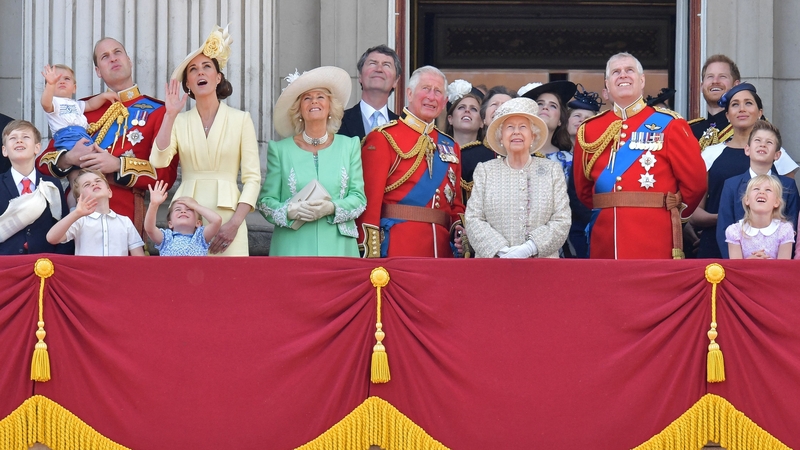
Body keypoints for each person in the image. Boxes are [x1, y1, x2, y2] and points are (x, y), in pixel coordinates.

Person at [36, 37, 179, 234]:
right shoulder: (80, 109)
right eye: (105, 57)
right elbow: (42, 163)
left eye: (117, 52)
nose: (113, 59)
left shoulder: (159, 111)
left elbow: (165, 177)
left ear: (129, 60)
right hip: (77, 214)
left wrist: (119, 165)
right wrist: (68, 158)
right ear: (98, 71)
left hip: (125, 214)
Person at [573, 52, 707, 259]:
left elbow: (695, 183)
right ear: (607, 85)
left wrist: (671, 216)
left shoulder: (670, 124)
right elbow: (583, 190)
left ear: (642, 80)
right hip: (604, 239)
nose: (623, 75)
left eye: (629, 71)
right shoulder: (589, 129)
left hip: (654, 237)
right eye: (616, 72)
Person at [151, 25, 261, 256]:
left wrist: (235, 224)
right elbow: (159, 160)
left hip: (230, 215)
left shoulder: (241, 119)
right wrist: (169, 115)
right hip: (186, 219)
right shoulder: (179, 121)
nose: (200, 72)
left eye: (206, 67)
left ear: (218, 77)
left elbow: (252, 179)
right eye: (193, 70)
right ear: (187, 84)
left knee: (230, 285)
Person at [357, 65, 465, 258]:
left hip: (442, 252)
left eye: (438, 91)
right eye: (425, 88)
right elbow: (370, 202)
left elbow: (455, 204)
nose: (431, 97)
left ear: (445, 101)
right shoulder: (383, 138)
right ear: (409, 93)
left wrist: (459, 231)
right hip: (398, 247)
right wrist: (369, 252)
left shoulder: (451, 146)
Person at [257, 66, 366, 256]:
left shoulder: (350, 146)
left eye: (320, 96)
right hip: (293, 248)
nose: (314, 101)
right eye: (307, 98)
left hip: (339, 248)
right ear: (299, 109)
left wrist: (331, 207)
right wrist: (290, 211)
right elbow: (266, 202)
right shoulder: (280, 150)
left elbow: (359, 199)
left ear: (331, 106)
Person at [691, 83, 798, 258]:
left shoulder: (778, 155)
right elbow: (695, 209)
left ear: (760, 112)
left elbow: (791, 221)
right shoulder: (712, 155)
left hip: (775, 258)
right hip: (722, 249)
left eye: (748, 103)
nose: (742, 109)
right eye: (735, 104)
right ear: (727, 114)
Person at [465, 97, 570, 258]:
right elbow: (473, 219)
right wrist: (501, 251)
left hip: (542, 268)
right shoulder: (485, 171)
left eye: (523, 127)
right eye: (509, 127)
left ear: (533, 136)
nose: (516, 132)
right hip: (494, 265)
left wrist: (529, 248)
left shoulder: (552, 170)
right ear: (501, 137)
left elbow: (562, 220)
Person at [716, 120, 799, 257]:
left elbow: (793, 226)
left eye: (769, 142)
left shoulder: (787, 186)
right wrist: (737, 264)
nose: (762, 145)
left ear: (777, 155)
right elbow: (723, 229)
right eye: (758, 140)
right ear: (747, 149)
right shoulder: (731, 185)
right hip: (739, 265)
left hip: (777, 265)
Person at [40, 63, 119, 201]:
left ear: (74, 87)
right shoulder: (54, 102)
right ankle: (73, 211)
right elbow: (45, 103)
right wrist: (50, 85)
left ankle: (94, 206)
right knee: (76, 181)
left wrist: (104, 96)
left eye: (67, 79)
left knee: (91, 178)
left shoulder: (76, 104)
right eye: (57, 79)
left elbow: (90, 104)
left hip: (84, 138)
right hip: (68, 139)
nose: (62, 81)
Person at [0, 120, 71, 255]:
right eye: (13, 138)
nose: (19, 141)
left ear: (37, 148)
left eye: (25, 137)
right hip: (5, 267)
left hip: (46, 266)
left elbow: (64, 228)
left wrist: (59, 262)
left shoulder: (52, 185)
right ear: (5, 150)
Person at [46, 169, 145, 256]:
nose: (94, 184)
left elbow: (140, 259)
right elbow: (51, 238)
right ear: (80, 198)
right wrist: (76, 213)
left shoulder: (125, 222)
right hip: (87, 276)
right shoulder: (80, 221)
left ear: (109, 192)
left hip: (117, 275)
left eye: (98, 181)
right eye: (87, 184)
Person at [460, 86, 515, 202]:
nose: (499, 108)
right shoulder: (466, 156)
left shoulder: (532, 157)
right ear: (483, 119)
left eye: (505, 104)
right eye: (494, 104)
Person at [338, 45, 401, 140]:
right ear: (360, 76)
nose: (379, 69)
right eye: (372, 63)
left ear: (396, 81)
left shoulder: (403, 126)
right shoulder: (337, 122)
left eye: (386, 65)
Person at [145, 180, 222, 256]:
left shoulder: (200, 237)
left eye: (189, 209)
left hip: (195, 269)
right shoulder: (166, 238)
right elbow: (150, 229)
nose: (183, 211)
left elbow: (216, 220)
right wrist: (153, 204)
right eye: (178, 209)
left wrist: (195, 206)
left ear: (198, 223)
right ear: (170, 223)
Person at [725, 174, 794, 259]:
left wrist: (766, 263)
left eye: (768, 190)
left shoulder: (785, 230)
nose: (761, 192)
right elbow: (736, 268)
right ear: (747, 200)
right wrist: (749, 262)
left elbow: (784, 268)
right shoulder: (735, 231)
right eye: (756, 189)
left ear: (776, 202)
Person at [689, 55, 740, 150]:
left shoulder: (747, 128)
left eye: (722, 76)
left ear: (736, 85)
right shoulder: (689, 130)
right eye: (710, 77)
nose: (715, 81)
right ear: (702, 86)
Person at [445, 79, 484, 148]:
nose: (467, 110)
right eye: (461, 107)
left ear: (481, 122)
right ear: (450, 119)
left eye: (473, 109)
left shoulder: (490, 155)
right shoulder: (436, 151)